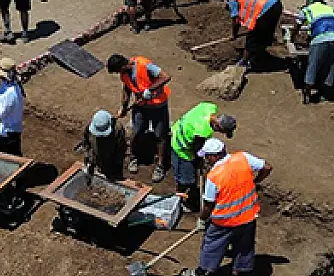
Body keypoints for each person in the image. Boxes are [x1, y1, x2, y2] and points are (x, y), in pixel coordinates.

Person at [181, 139, 272, 276]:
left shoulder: (214, 176)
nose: (206, 160)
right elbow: (267, 167)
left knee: (211, 245)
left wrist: (202, 220)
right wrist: (256, 181)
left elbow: (208, 205)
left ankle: (200, 274)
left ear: (215, 156)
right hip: (248, 216)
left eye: (207, 156)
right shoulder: (243, 158)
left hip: (224, 221)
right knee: (243, 247)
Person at [106, 54, 172, 182]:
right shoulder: (124, 74)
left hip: (158, 105)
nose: (119, 74)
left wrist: (150, 89)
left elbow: (165, 77)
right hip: (141, 106)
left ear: (124, 66)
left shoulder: (144, 64)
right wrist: (124, 107)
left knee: (160, 136)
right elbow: (126, 89)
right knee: (136, 132)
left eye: (119, 71)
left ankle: (160, 165)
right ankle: (133, 157)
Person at [170, 104, 237, 212]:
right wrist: (200, 162)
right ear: (216, 126)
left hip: (177, 129)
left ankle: (188, 194)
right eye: (221, 131)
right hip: (182, 147)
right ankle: (181, 200)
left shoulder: (209, 107)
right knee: (186, 180)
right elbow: (198, 151)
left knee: (191, 177)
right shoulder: (202, 131)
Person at [296, 0, 334, 105]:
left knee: (313, 64)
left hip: (320, 38)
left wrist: (293, 36)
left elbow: (298, 24)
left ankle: (307, 93)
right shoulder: (329, 9)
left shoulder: (307, 10)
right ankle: (325, 92)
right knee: (331, 65)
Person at [226, 0, 283, 70]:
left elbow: (236, 20)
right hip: (276, 3)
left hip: (266, 10)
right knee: (265, 33)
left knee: (252, 38)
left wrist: (234, 34)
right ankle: (261, 55)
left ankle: (244, 63)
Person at [78, 110, 127, 181]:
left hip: (112, 161)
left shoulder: (117, 129)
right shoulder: (90, 128)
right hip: (96, 158)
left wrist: (116, 165)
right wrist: (88, 157)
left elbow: (121, 149)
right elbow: (86, 143)